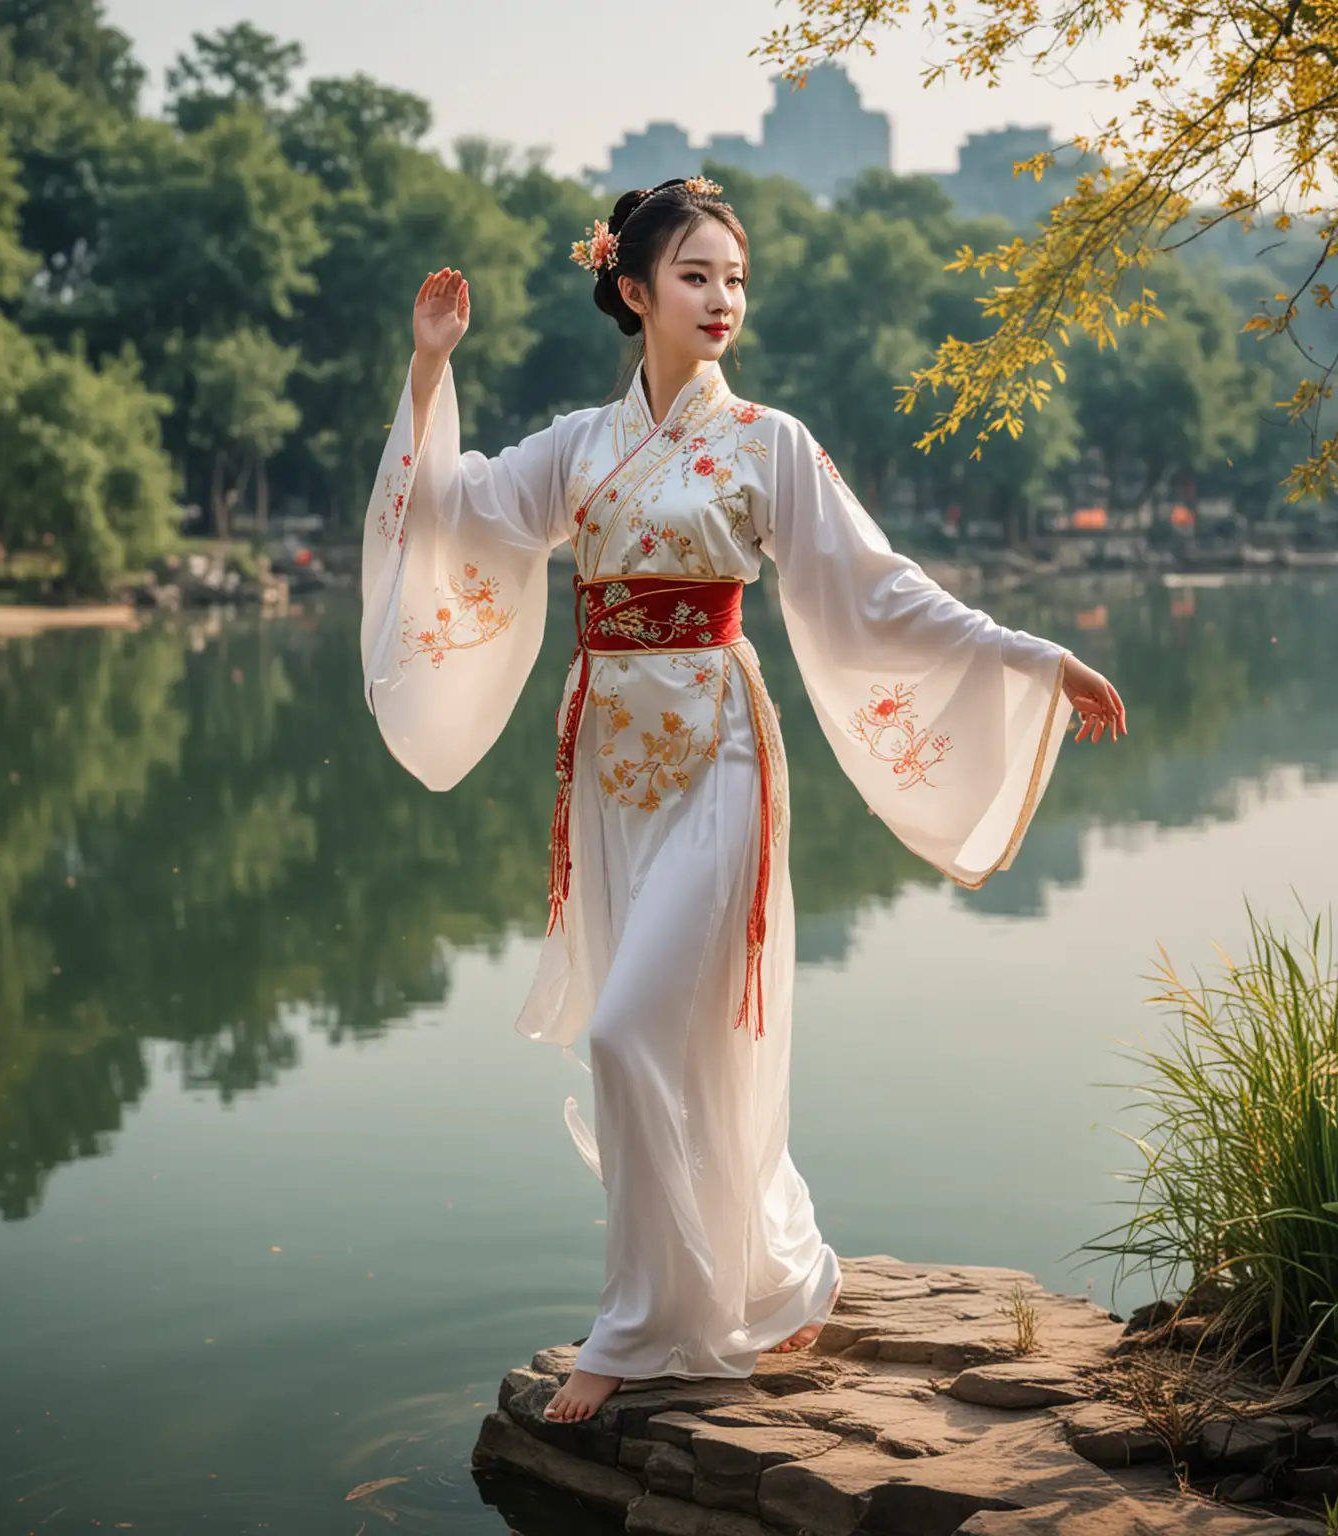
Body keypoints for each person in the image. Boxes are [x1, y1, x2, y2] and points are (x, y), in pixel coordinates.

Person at [360, 176, 1126, 1426]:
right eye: (698, 277)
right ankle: (771, 1272)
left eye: (737, 280)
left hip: (718, 755)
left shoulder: (765, 439)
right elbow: (451, 508)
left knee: (625, 1035)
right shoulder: (578, 447)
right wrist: (431, 367)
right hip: (607, 768)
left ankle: (642, 1328)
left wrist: (1029, 653)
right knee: (664, 1042)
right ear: (633, 289)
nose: (724, 300)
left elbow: (876, 587)